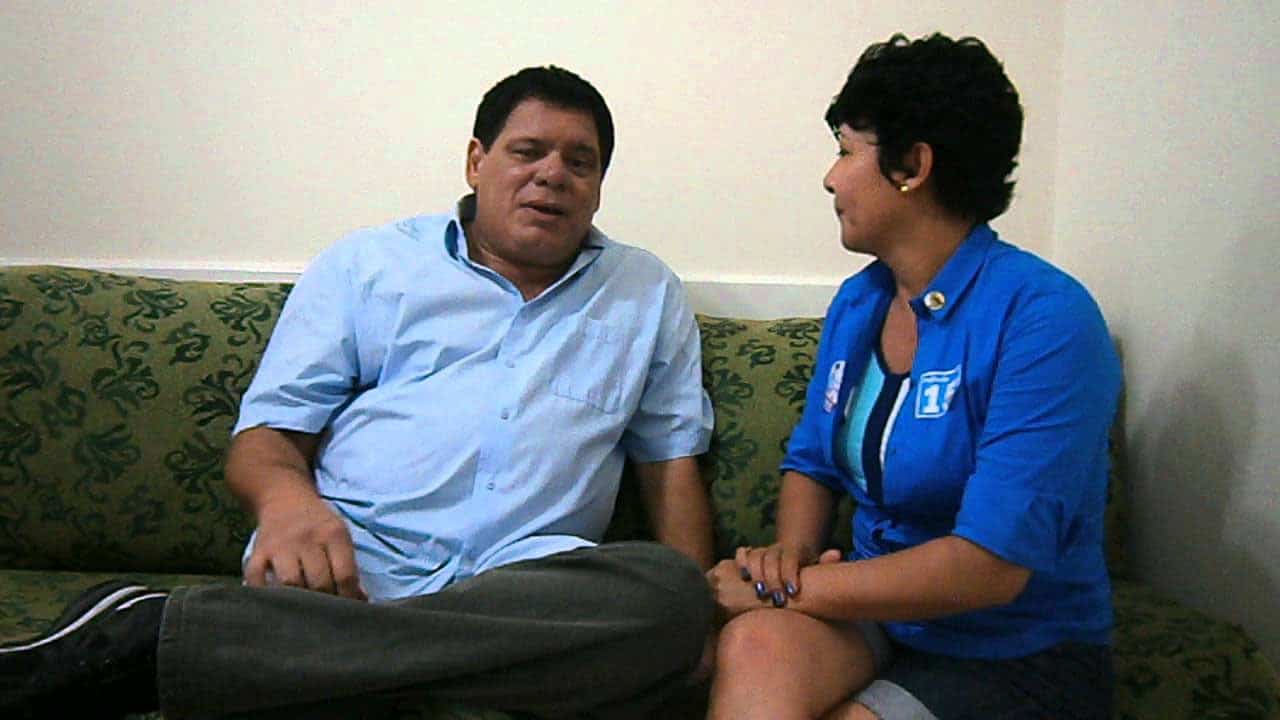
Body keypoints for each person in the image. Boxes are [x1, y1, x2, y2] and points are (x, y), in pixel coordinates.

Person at [2, 65, 716, 719]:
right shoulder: (369, 265)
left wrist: (698, 629)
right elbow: (266, 440)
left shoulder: (644, 292)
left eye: (580, 162)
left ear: (599, 185)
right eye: (528, 151)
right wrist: (288, 506)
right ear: (476, 161)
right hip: (349, 575)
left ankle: (178, 640)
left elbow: (669, 468)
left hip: (530, 598)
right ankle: (400, 681)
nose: (553, 174)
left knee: (672, 594)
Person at [704, 34, 1120, 720]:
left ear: (912, 166)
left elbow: (988, 567)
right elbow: (813, 462)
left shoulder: (1045, 318)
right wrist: (788, 556)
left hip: (1015, 651)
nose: (831, 178)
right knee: (754, 645)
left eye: (846, 151)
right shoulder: (861, 300)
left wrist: (784, 591)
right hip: (882, 622)